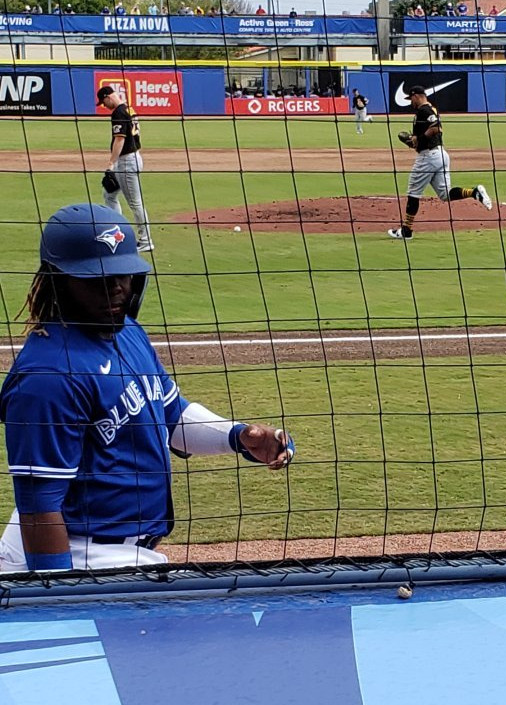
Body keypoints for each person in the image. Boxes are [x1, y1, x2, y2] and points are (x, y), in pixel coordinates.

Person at [0, 204, 295, 573]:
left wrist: (238, 436)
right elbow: (38, 507)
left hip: (125, 554)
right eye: (98, 278)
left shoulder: (129, 335)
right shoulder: (48, 376)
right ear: (60, 280)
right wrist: (61, 595)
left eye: (123, 275)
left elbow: (170, 415)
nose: (116, 289)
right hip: (77, 555)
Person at [388, 85, 494, 241]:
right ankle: (474, 192)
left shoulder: (424, 110)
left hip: (429, 157)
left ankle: (406, 231)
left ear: (416, 96)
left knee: (413, 193)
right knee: (445, 194)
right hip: (440, 155)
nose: (410, 102)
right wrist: (412, 142)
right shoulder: (429, 109)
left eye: (411, 99)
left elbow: (437, 128)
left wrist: (420, 139)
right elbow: (423, 138)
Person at [97, 85, 153, 252]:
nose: (104, 105)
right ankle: (117, 232)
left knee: (135, 202)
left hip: (127, 161)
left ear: (108, 96)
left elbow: (119, 139)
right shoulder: (129, 108)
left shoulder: (119, 112)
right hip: (133, 157)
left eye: (103, 102)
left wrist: (110, 163)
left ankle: (146, 240)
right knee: (109, 194)